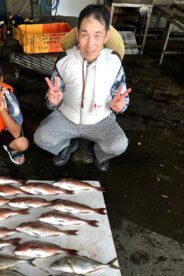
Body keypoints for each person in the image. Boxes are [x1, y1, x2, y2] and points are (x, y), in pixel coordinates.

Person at [34, 4, 131, 172]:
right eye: (84, 34)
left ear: (106, 36)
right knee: (41, 138)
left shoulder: (114, 62)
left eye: (97, 35)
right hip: (66, 117)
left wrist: (120, 106)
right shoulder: (64, 59)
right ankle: (67, 145)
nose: (90, 44)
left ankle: (98, 153)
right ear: (78, 34)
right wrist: (53, 101)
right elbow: (52, 98)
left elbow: (122, 97)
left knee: (119, 145)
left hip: (100, 120)